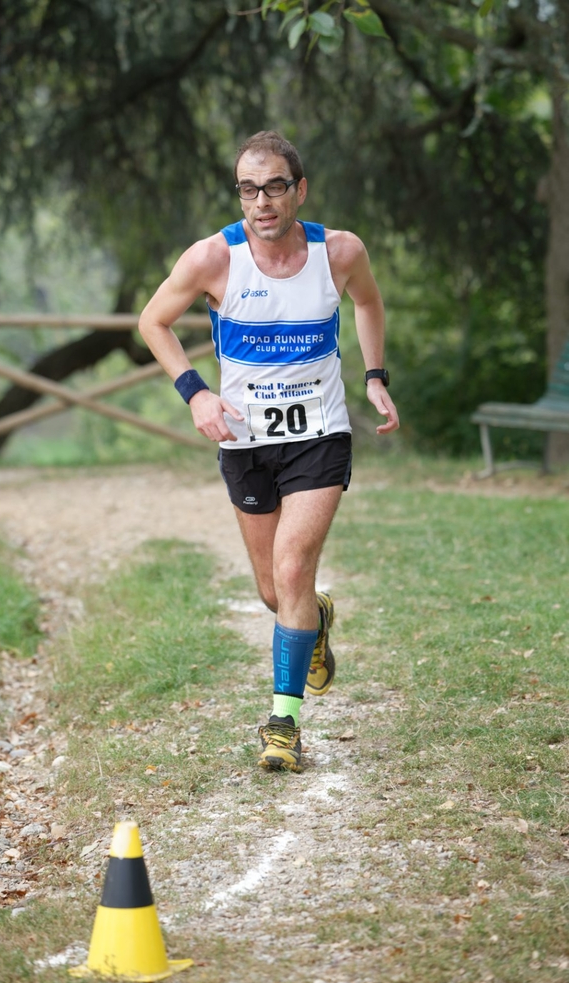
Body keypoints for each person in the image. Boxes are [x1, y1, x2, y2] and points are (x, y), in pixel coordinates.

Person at [138, 130, 399, 773]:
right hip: (247, 443)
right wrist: (197, 394)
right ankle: (316, 620)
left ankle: (283, 722)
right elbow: (152, 321)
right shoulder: (212, 260)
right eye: (249, 189)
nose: (262, 201)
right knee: (273, 590)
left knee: (291, 570)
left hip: (319, 435)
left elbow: (367, 301)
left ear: (298, 190)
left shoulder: (338, 252)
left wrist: (373, 376)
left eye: (275, 187)